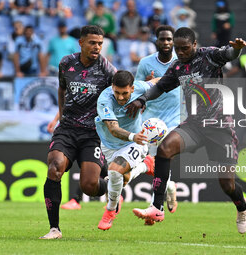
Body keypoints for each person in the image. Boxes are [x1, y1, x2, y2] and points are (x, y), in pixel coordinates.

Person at [127, 27, 246, 234]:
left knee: (227, 184)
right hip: (193, 125)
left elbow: (228, 54)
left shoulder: (209, 55)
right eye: (178, 48)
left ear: (194, 44)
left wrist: (236, 50)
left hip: (219, 127)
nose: (181, 52)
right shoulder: (178, 67)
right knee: (164, 149)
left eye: (185, 48)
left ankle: (242, 207)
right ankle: (157, 208)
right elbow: (160, 87)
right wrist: (142, 99)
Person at [39, 25, 117, 240]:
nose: (97, 47)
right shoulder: (66, 63)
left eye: (100, 43)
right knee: (54, 167)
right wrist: (61, 117)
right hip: (68, 129)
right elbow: (62, 89)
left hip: (93, 134)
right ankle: (54, 228)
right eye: (92, 43)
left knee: (90, 186)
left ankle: (112, 188)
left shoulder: (107, 69)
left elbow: (123, 90)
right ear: (81, 42)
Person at [95, 70, 158, 231]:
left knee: (114, 172)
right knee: (122, 179)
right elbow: (113, 128)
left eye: (125, 93)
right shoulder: (105, 99)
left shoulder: (140, 87)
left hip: (135, 142)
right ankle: (146, 166)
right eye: (117, 92)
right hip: (110, 145)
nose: (121, 97)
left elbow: (159, 81)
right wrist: (132, 136)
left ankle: (110, 211)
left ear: (132, 88)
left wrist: (178, 71)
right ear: (112, 87)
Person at [135, 25, 181, 224]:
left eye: (169, 39)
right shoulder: (145, 63)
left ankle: (156, 207)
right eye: (162, 39)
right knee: (149, 161)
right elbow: (136, 89)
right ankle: (169, 187)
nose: (166, 43)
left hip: (173, 118)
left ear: (174, 41)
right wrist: (146, 83)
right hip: (151, 119)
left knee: (162, 156)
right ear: (156, 41)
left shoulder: (181, 63)